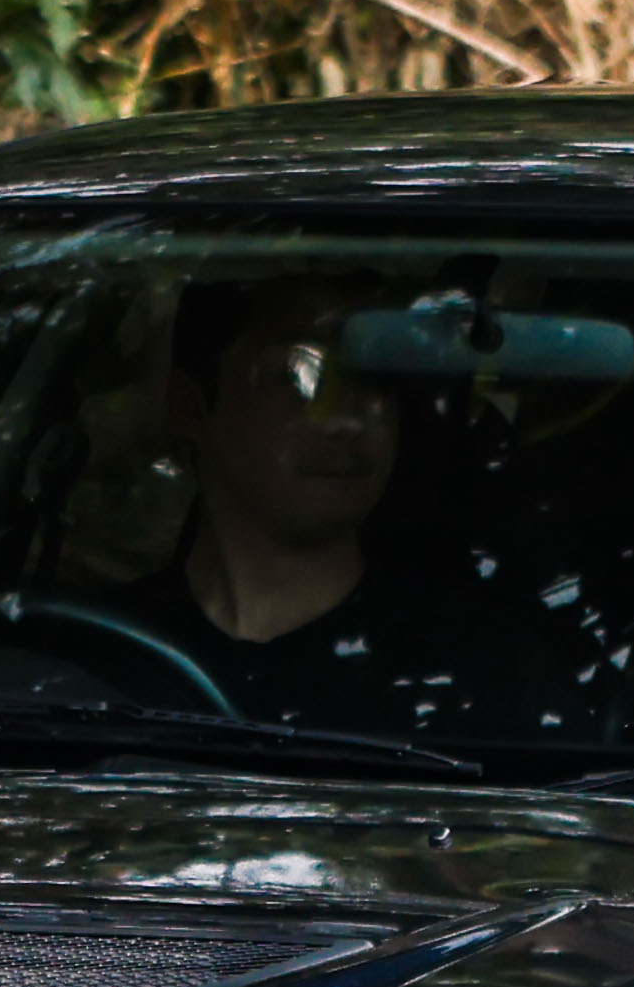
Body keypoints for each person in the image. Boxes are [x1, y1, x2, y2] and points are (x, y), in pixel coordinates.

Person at [119, 279, 569, 744]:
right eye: (297, 375)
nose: (345, 419)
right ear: (191, 407)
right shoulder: (101, 653)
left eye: (374, 377)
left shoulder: (487, 677)